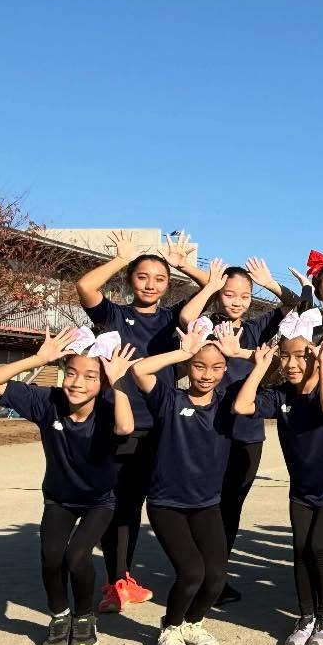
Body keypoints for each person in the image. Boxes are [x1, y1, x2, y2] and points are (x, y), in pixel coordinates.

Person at [0, 328, 137, 645]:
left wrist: (117, 382)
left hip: (98, 501)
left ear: (102, 383)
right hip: (59, 498)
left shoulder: (109, 407)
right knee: (51, 558)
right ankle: (60, 616)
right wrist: (39, 358)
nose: (77, 383)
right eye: (72, 373)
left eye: (90, 376)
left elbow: (126, 428)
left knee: (77, 557)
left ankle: (83, 616)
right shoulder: (47, 401)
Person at [75, 230, 208, 612]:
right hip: (122, 422)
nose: (151, 284)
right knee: (122, 504)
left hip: (163, 423)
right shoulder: (115, 314)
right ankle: (118, 580)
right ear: (130, 280)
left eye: (160, 279)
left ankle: (192, 574)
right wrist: (119, 258)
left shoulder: (173, 319)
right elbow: (85, 286)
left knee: (165, 502)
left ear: (168, 286)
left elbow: (210, 292)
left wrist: (186, 266)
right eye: (142, 276)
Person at [233, 322, 323, 645]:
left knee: (320, 548)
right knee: (300, 550)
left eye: (302, 355)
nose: (292, 364)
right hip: (301, 488)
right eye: (285, 357)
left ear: (317, 355)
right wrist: (260, 368)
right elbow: (243, 407)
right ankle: (307, 617)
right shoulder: (280, 395)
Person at [177, 257, 292, 604]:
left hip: (246, 432)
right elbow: (184, 318)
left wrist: (272, 283)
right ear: (218, 295)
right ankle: (196, 574)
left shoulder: (256, 329)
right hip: (207, 430)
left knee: (230, 509)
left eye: (244, 295)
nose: (236, 301)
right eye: (229, 294)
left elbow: (296, 305)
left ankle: (217, 578)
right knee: (204, 504)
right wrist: (209, 284)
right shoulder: (204, 325)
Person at [130, 326, 236, 645]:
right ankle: (171, 627)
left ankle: (193, 622)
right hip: (167, 503)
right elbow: (139, 369)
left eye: (217, 367)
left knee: (216, 577)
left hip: (207, 504)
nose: (207, 374)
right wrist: (183, 352)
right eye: (199, 366)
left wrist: (236, 353)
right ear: (188, 367)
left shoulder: (228, 403)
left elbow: (269, 368)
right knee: (192, 572)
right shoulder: (169, 400)